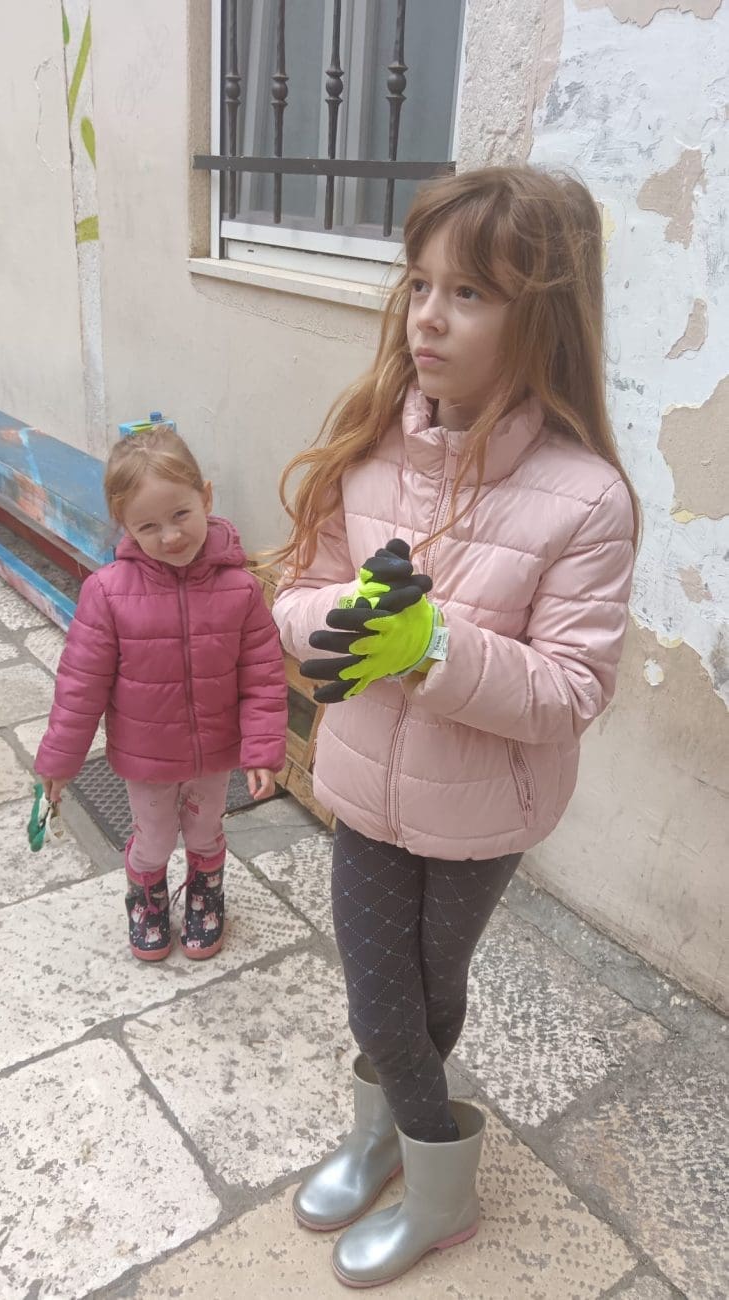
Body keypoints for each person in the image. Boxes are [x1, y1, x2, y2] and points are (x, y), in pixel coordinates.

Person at [272, 165, 639, 1288]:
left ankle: (434, 1194)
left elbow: (572, 687)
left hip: (483, 809)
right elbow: (297, 593)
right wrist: (347, 619)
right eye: (420, 283)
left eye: (470, 292)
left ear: (544, 317)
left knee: (425, 995)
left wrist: (433, 648)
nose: (427, 316)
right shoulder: (368, 442)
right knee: (381, 993)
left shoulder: (587, 498)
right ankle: (404, 1151)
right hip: (361, 783)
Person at [36, 424, 287, 962]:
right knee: (152, 839)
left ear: (206, 498)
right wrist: (59, 761)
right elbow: (80, 686)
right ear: (123, 524)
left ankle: (205, 896)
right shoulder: (107, 593)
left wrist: (262, 749)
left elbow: (263, 675)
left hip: (214, 754)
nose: (170, 536)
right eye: (148, 526)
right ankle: (146, 899)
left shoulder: (241, 589)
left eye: (180, 514)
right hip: (147, 758)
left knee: (205, 831)